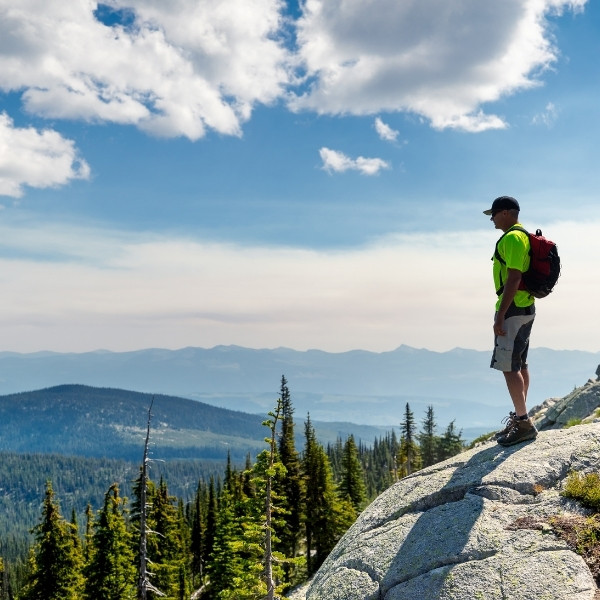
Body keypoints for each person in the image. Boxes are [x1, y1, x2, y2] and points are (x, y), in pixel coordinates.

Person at [484, 196, 538, 446]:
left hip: (513, 309)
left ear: (505, 213)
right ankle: (520, 416)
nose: (492, 219)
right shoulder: (522, 236)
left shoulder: (513, 238)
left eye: (493, 214)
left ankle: (524, 423)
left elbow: (514, 277)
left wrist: (501, 313)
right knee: (520, 362)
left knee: (509, 366)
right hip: (525, 307)